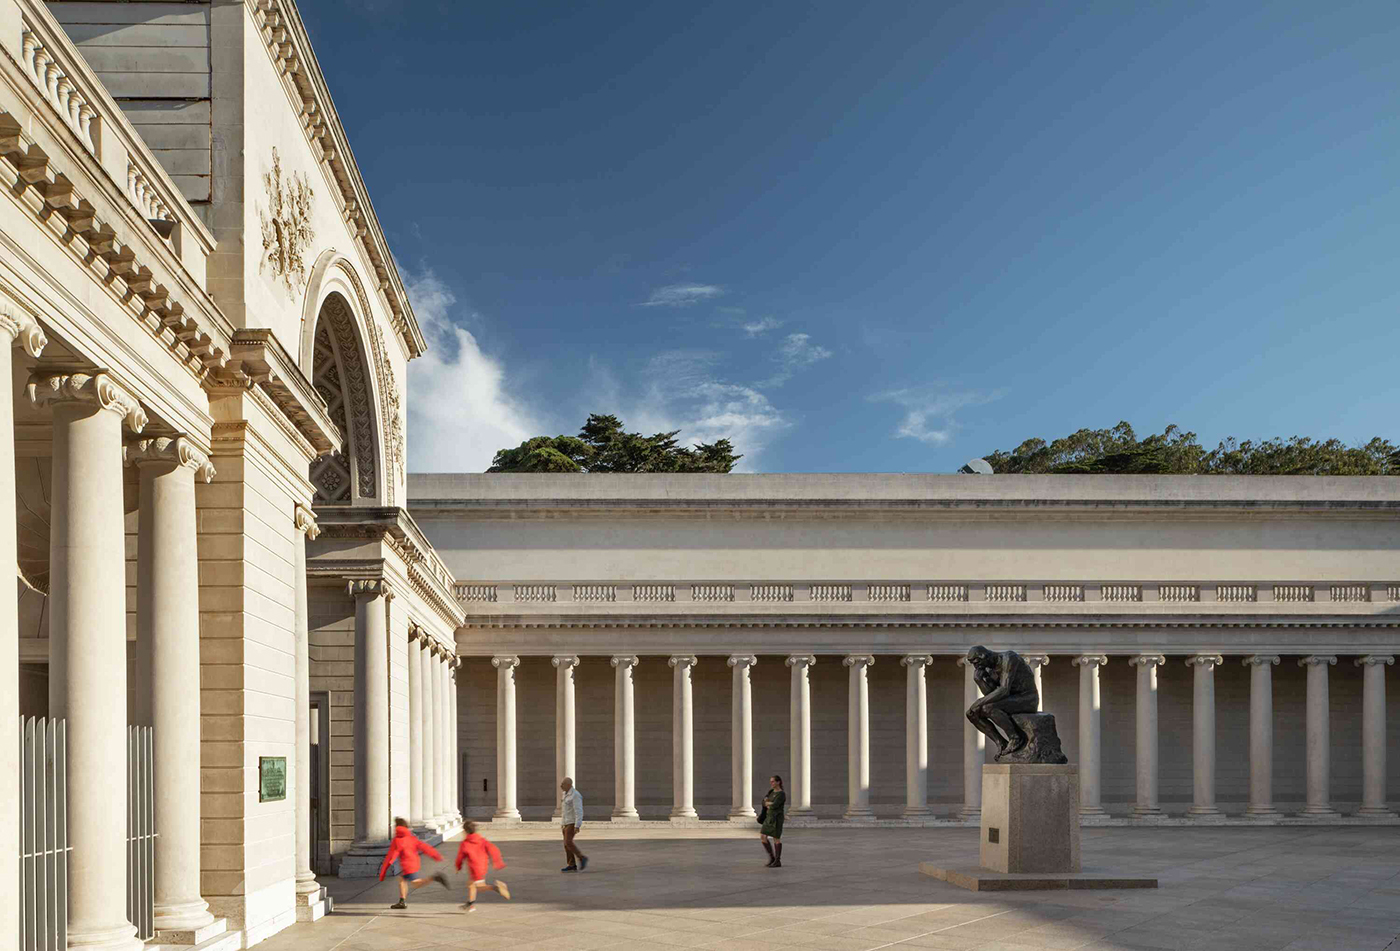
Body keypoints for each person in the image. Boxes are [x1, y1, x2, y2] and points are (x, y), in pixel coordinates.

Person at [377, 817, 448, 909]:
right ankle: (402, 901)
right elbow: (424, 847)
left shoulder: (397, 840)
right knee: (402, 881)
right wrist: (436, 855)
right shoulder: (411, 837)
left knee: (416, 883)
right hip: (414, 863)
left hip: (408, 866)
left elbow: (390, 856)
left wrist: (382, 873)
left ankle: (435, 877)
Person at [454, 820, 511, 912]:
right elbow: (494, 850)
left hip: (474, 868)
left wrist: (458, 867)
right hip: (482, 865)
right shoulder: (482, 840)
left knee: (479, 887)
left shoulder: (465, 843)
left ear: (465, 831)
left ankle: (496, 887)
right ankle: (470, 904)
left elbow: (460, 857)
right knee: (471, 885)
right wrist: (497, 862)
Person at [559, 777, 589, 872]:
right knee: (566, 844)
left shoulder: (575, 795)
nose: (561, 786)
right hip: (566, 822)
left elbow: (578, 811)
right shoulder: (565, 794)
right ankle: (571, 864)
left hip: (572, 823)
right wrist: (562, 823)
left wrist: (577, 825)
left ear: (569, 785)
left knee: (568, 842)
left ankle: (581, 857)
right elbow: (565, 811)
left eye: (563, 784)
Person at [758, 774, 786, 868]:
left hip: (777, 818)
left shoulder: (781, 794)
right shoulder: (771, 791)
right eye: (771, 781)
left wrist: (768, 803)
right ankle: (772, 858)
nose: (771, 783)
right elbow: (763, 802)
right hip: (768, 817)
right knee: (763, 836)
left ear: (778, 782)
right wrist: (768, 803)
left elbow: (775, 805)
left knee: (776, 838)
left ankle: (778, 861)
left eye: (773, 781)